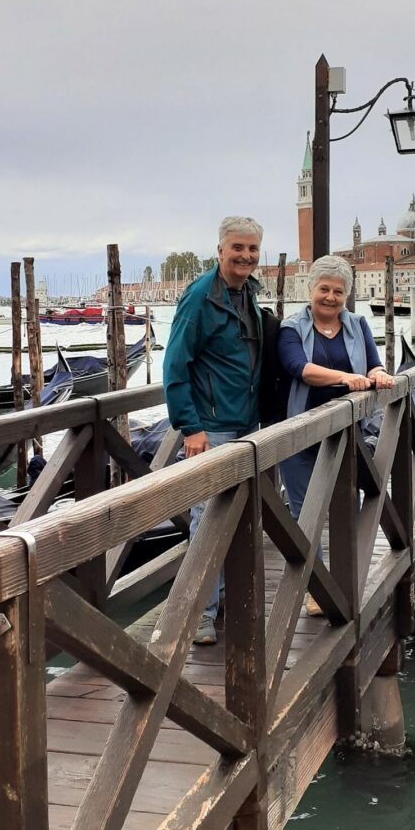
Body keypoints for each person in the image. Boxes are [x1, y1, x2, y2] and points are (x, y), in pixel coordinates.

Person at [163, 215, 264, 645]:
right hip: (211, 427)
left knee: (236, 518)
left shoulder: (249, 293)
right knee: (206, 522)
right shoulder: (201, 297)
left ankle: (220, 602)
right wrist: (190, 427)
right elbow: (174, 364)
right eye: (237, 248)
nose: (245, 256)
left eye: (252, 249)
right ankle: (198, 616)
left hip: (246, 422)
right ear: (220, 250)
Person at [278, 256, 395, 611]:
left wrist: (381, 374)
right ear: (310, 290)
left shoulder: (357, 325)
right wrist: (344, 378)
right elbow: (299, 368)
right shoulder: (291, 328)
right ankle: (314, 590)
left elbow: (374, 362)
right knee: (305, 514)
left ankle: (346, 583)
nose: (330, 297)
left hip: (348, 432)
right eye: (324, 289)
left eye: (338, 292)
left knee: (348, 505)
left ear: (347, 295)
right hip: (300, 432)